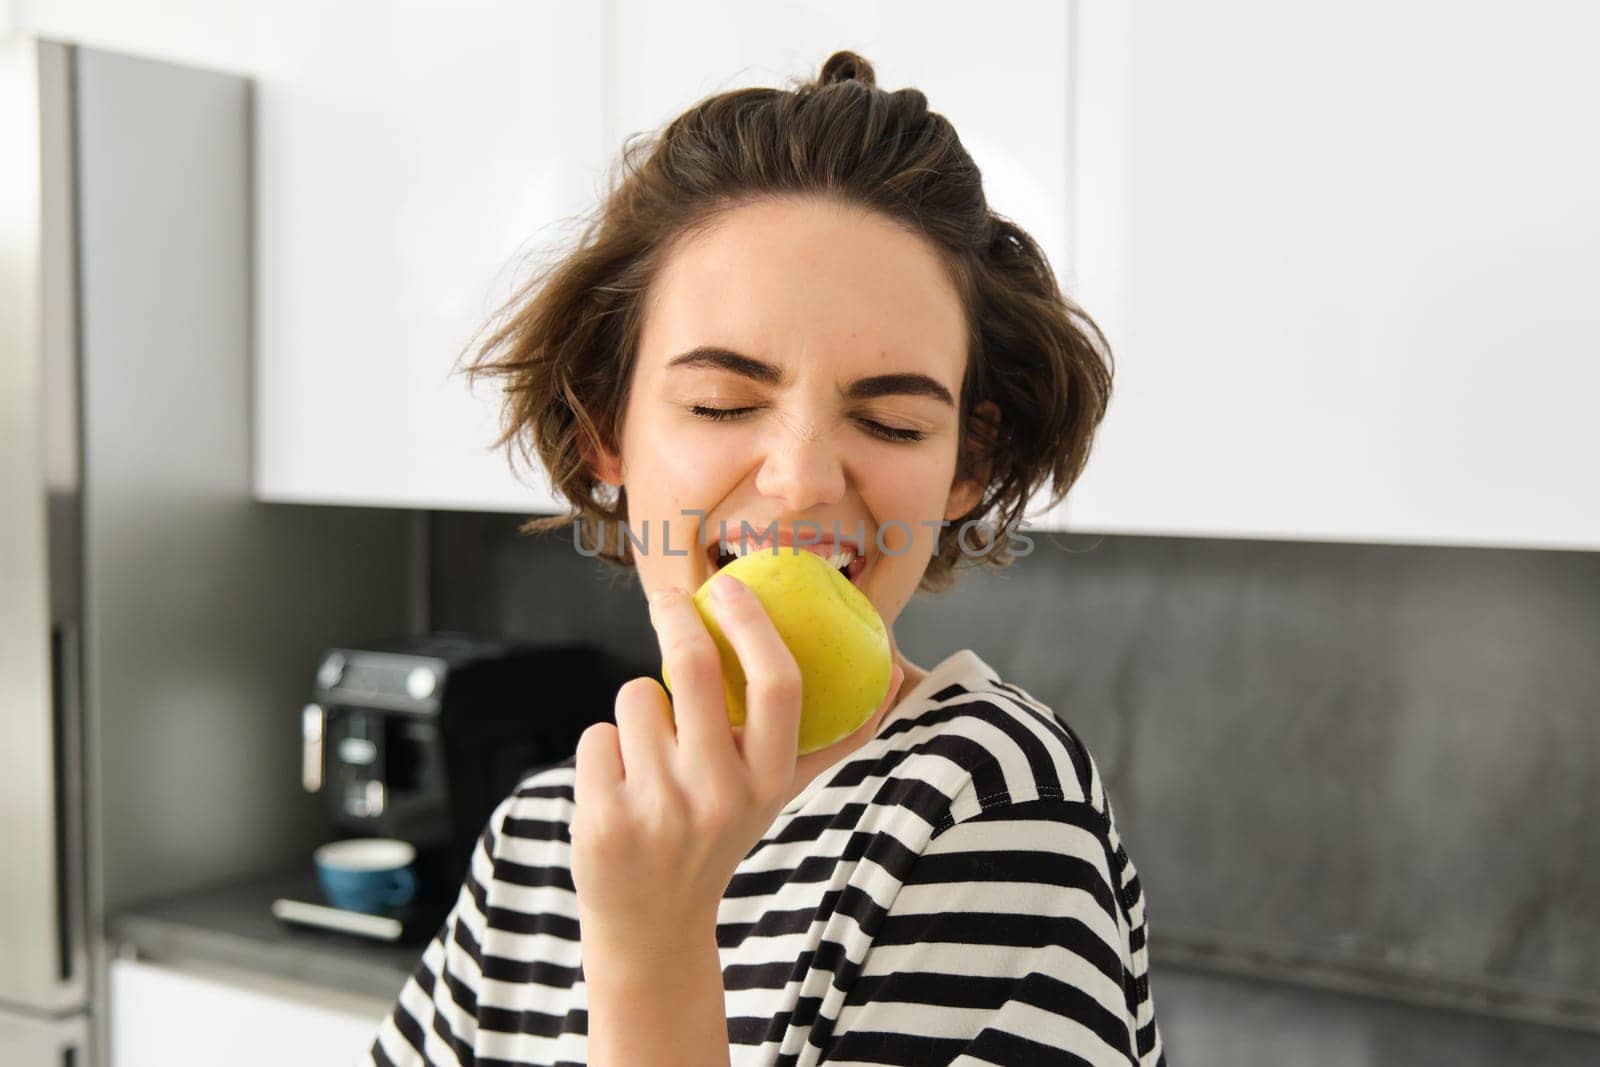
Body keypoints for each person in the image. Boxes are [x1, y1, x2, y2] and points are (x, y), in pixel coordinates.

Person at [367, 50, 1165, 1067]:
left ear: (968, 466)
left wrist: (651, 945)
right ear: (604, 432)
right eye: (722, 404)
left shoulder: (990, 801)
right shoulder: (542, 829)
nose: (800, 480)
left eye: (888, 419)